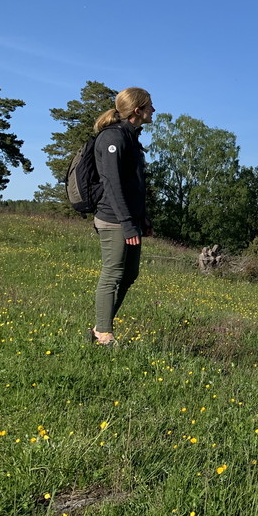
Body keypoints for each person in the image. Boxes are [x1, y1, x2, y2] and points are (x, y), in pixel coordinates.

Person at [90, 87, 155, 345]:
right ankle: (104, 333)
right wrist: (128, 224)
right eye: (150, 105)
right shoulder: (112, 138)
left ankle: (100, 326)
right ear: (137, 111)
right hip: (113, 219)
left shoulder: (131, 137)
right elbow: (113, 185)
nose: (154, 110)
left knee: (129, 275)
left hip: (130, 219)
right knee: (112, 273)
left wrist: (143, 218)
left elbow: (134, 185)